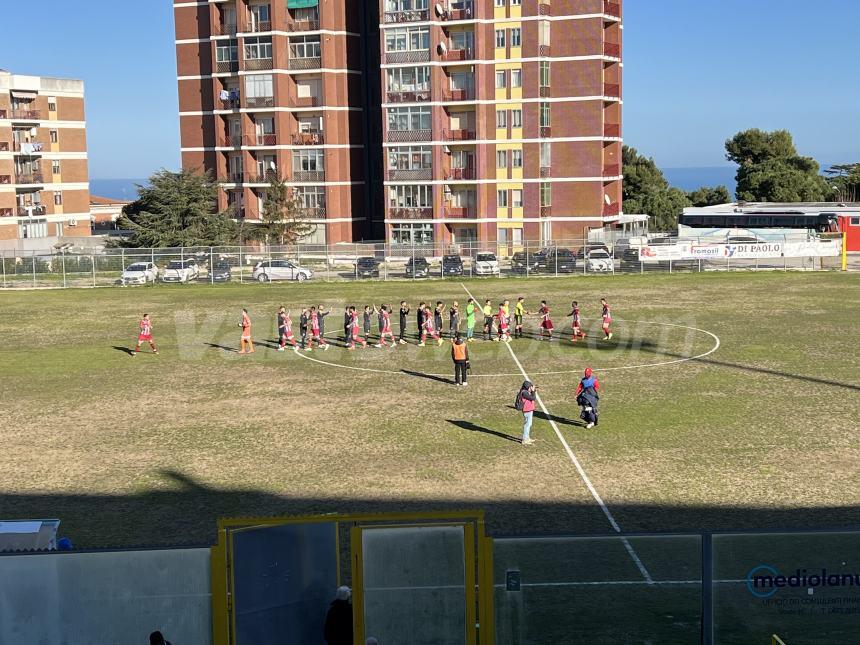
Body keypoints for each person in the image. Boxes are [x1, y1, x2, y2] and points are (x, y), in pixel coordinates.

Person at [515, 381, 537, 445]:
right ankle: (525, 439)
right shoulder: (524, 393)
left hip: (529, 410)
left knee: (529, 424)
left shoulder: (525, 391)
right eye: (530, 387)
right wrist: (533, 391)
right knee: (527, 424)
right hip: (527, 410)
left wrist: (533, 391)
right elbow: (533, 398)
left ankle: (527, 438)